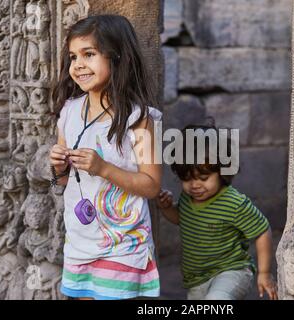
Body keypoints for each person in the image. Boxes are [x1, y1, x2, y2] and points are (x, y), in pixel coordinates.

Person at [49, 15, 162, 300]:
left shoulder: (139, 119)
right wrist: (58, 167)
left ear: (118, 57)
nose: (78, 65)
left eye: (89, 54)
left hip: (122, 244)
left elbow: (151, 186)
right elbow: (64, 182)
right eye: (73, 56)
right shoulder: (69, 113)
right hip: (80, 241)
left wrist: (103, 168)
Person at [157, 124, 278, 300]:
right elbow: (180, 218)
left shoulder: (234, 202)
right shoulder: (187, 198)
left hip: (232, 271)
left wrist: (265, 272)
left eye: (203, 178)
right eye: (187, 179)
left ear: (223, 170)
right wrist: (166, 207)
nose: (195, 185)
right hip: (197, 279)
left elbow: (262, 230)